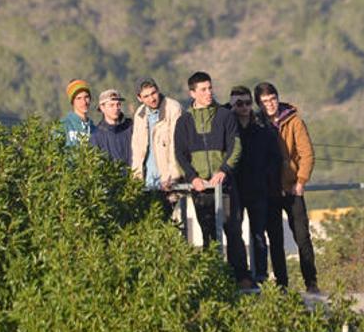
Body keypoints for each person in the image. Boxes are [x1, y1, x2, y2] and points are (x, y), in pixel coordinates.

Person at [174, 71, 252, 288]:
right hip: (200, 189)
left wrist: (223, 170)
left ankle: (242, 277)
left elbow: (236, 146)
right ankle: (215, 280)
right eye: (203, 89)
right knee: (208, 233)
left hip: (225, 186)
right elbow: (179, 153)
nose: (209, 93)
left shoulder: (225, 116)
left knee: (233, 231)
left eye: (210, 88)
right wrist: (193, 177)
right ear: (192, 93)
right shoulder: (184, 121)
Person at [254, 81, 320, 293]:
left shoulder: (294, 121)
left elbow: (307, 153)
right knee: (275, 241)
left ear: (277, 98)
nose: (270, 104)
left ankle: (311, 282)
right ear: (259, 104)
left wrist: (301, 180)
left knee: (302, 237)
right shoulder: (257, 124)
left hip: (292, 189)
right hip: (269, 191)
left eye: (272, 99)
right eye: (265, 101)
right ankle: (282, 285)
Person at [227, 86, 281, 284]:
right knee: (235, 233)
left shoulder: (262, 128)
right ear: (231, 105)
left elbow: (274, 157)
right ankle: (240, 275)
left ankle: (260, 276)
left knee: (258, 235)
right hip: (234, 190)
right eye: (239, 103)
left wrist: (266, 178)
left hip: (258, 190)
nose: (244, 107)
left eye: (247, 103)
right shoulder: (228, 129)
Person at [130, 78, 183, 213]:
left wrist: (173, 176)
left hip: (167, 180)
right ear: (139, 98)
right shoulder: (140, 114)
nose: (151, 99)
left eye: (153, 93)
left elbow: (175, 145)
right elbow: (137, 148)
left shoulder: (173, 108)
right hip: (147, 180)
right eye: (146, 96)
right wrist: (136, 178)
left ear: (158, 91)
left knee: (169, 220)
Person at [90, 89, 133, 163]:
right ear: (102, 108)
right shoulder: (96, 136)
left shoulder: (130, 127)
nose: (116, 108)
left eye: (118, 104)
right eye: (111, 105)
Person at [61, 79, 95, 146]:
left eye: (86, 97)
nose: (84, 102)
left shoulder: (94, 130)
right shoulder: (63, 126)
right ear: (72, 102)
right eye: (79, 98)